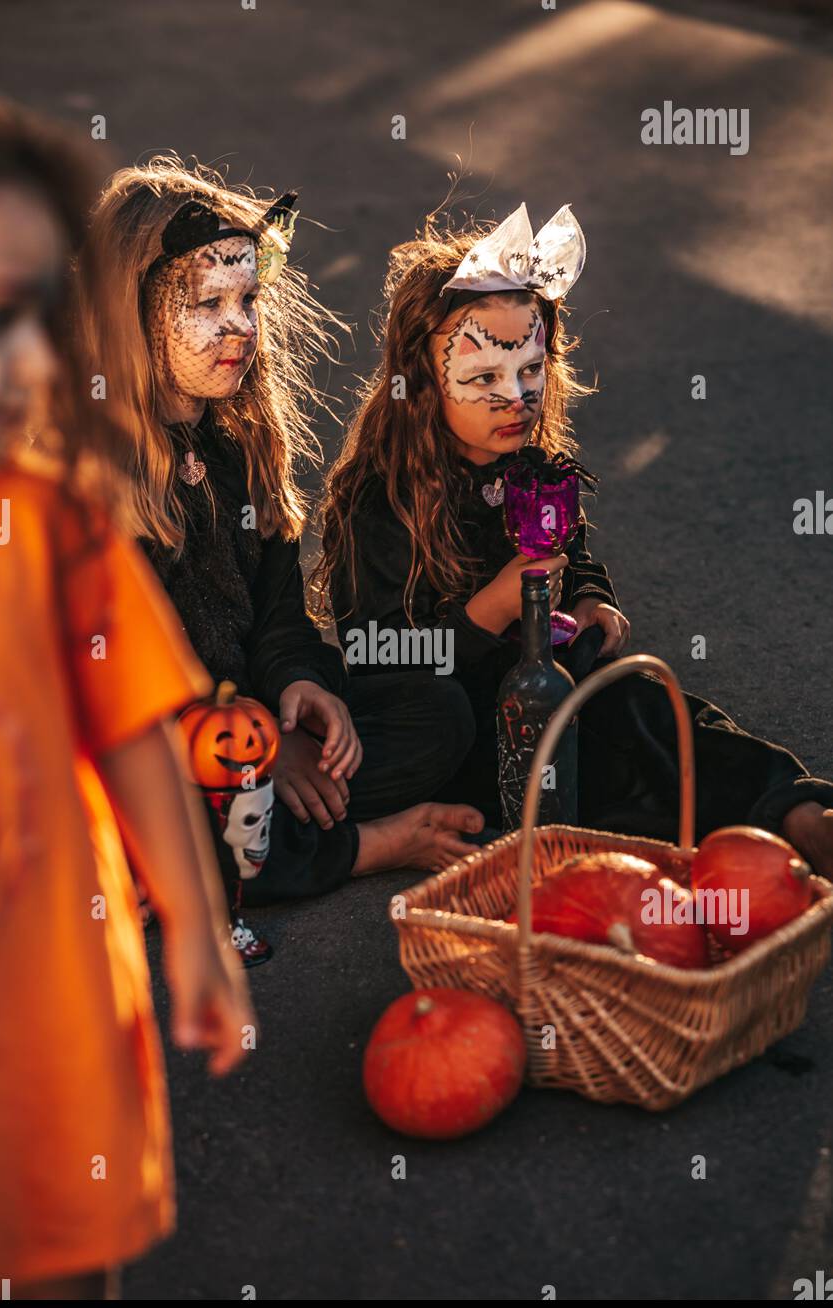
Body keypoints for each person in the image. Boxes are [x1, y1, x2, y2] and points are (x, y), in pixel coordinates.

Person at [313, 203, 833, 875]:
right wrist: (487, 614)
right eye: (483, 379)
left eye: (530, 371)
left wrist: (589, 597)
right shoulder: (377, 500)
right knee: (583, 761)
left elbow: (574, 554)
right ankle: (669, 824)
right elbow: (372, 650)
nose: (515, 398)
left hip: (548, 687)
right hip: (449, 721)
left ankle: (794, 810)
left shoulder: (533, 469)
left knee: (645, 706)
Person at [0, 87, 254, 1300]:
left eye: (45, 315)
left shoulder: (51, 514)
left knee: (61, 1295)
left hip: (44, 1011)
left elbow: (133, 717)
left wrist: (193, 927)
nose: (33, 356)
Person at [81, 157, 484, 921]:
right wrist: (258, 745)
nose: (240, 325)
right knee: (182, 806)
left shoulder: (233, 444)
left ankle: (263, 833)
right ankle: (360, 845)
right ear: (129, 317)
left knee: (438, 714)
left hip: (245, 731)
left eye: (249, 298)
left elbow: (277, 618)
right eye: (209, 303)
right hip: (148, 745)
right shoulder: (96, 480)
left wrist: (300, 691)